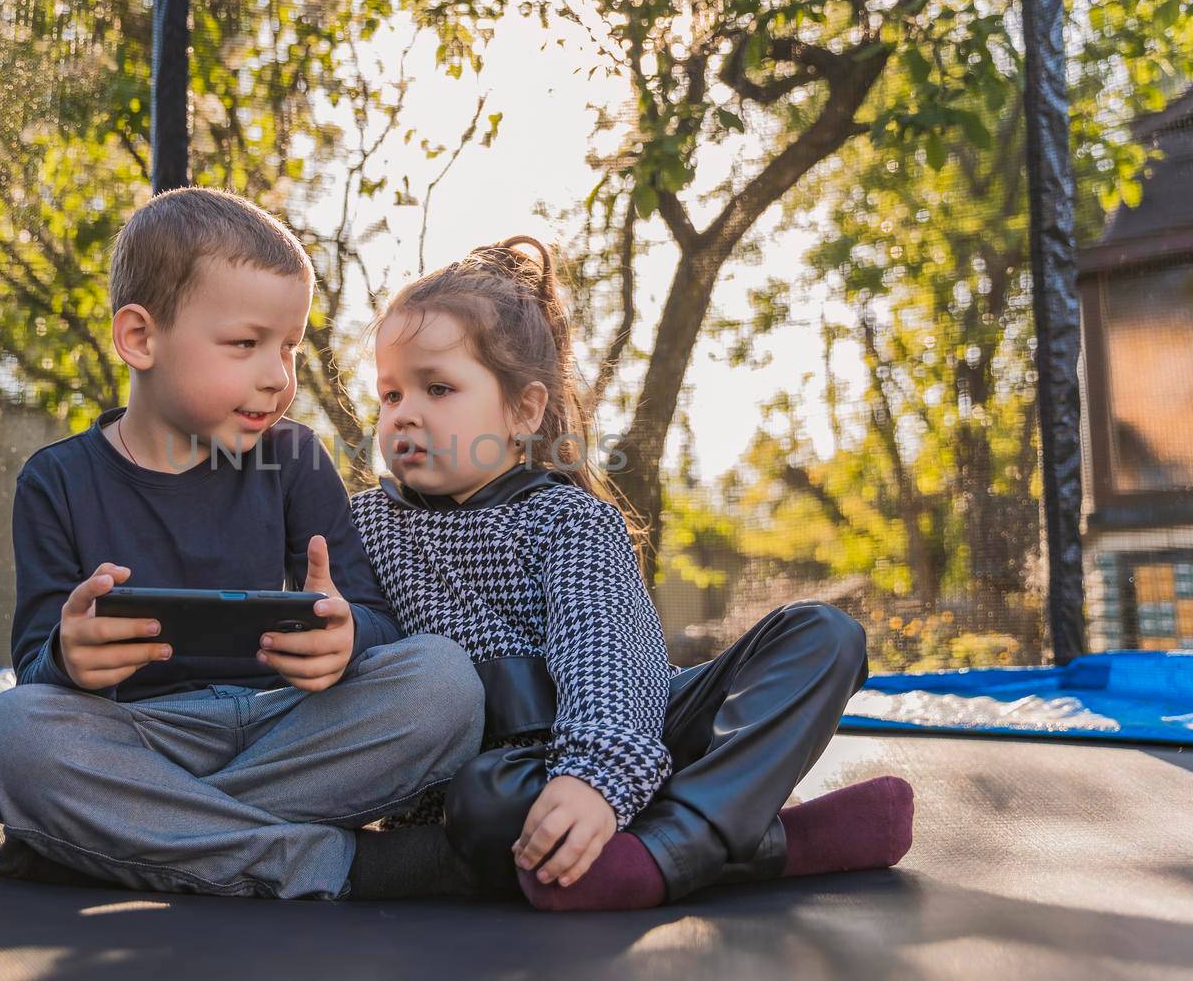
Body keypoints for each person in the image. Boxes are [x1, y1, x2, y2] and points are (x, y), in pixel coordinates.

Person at [348, 235, 915, 910]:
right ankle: (765, 841)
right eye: (388, 394)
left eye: (437, 388)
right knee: (487, 801)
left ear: (524, 411)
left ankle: (662, 847)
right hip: (503, 781)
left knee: (824, 635)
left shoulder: (567, 519)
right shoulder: (363, 524)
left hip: (626, 733)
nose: (403, 412)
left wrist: (594, 776)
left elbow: (607, 651)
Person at [0, 188, 485, 900]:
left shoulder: (298, 459)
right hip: (141, 733)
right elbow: (37, 671)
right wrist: (70, 653)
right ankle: (328, 862)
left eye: (290, 347)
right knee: (6, 740)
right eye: (246, 344)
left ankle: (113, 838)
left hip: (287, 724)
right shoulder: (55, 480)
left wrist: (347, 634)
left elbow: (373, 619)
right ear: (140, 339)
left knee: (445, 681)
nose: (279, 376)